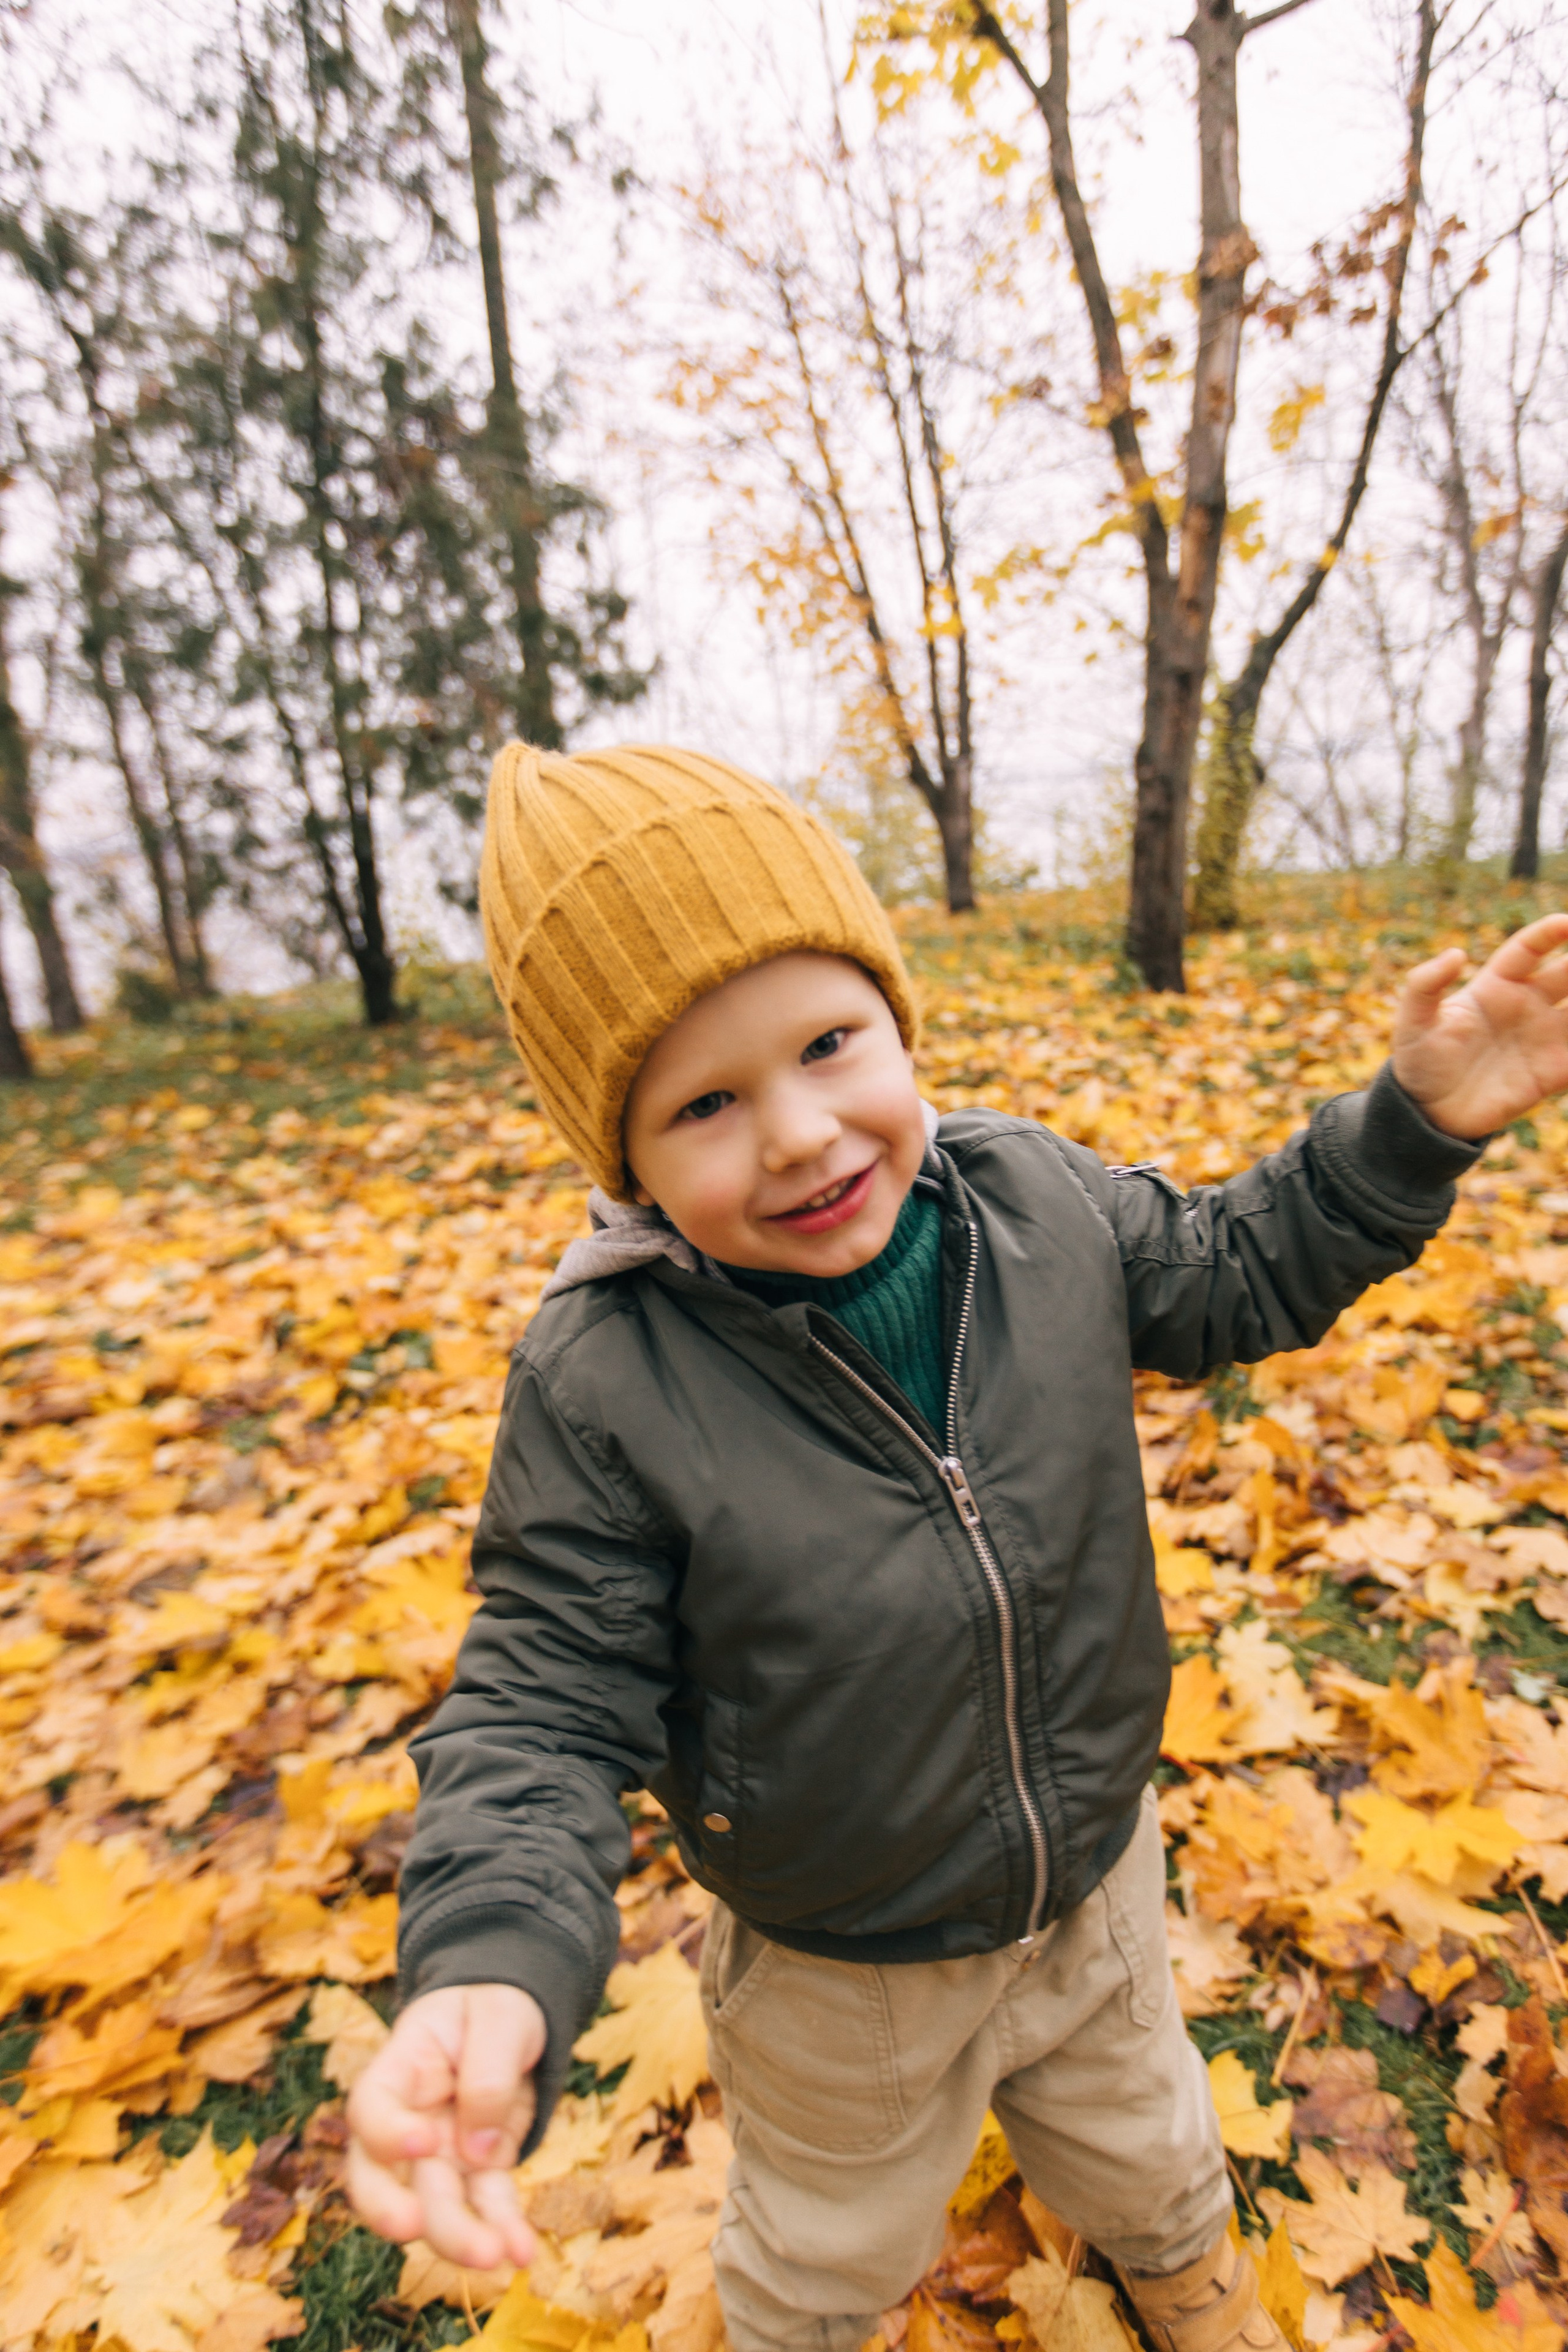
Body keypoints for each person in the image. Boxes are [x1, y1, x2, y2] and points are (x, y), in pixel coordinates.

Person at [345, 742, 1568, 2352]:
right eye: (705, 1103)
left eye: (829, 1043)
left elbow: (1225, 1271)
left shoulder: (1034, 1204)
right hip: (846, 1963)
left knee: (1150, 2133)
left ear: (894, 1020)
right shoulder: (608, 1383)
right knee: (828, 2238)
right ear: (619, 1156)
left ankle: (1188, 2274)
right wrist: (493, 1956)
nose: (797, 1132)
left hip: (1094, 1875)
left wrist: (1408, 1131)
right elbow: (543, 1697)